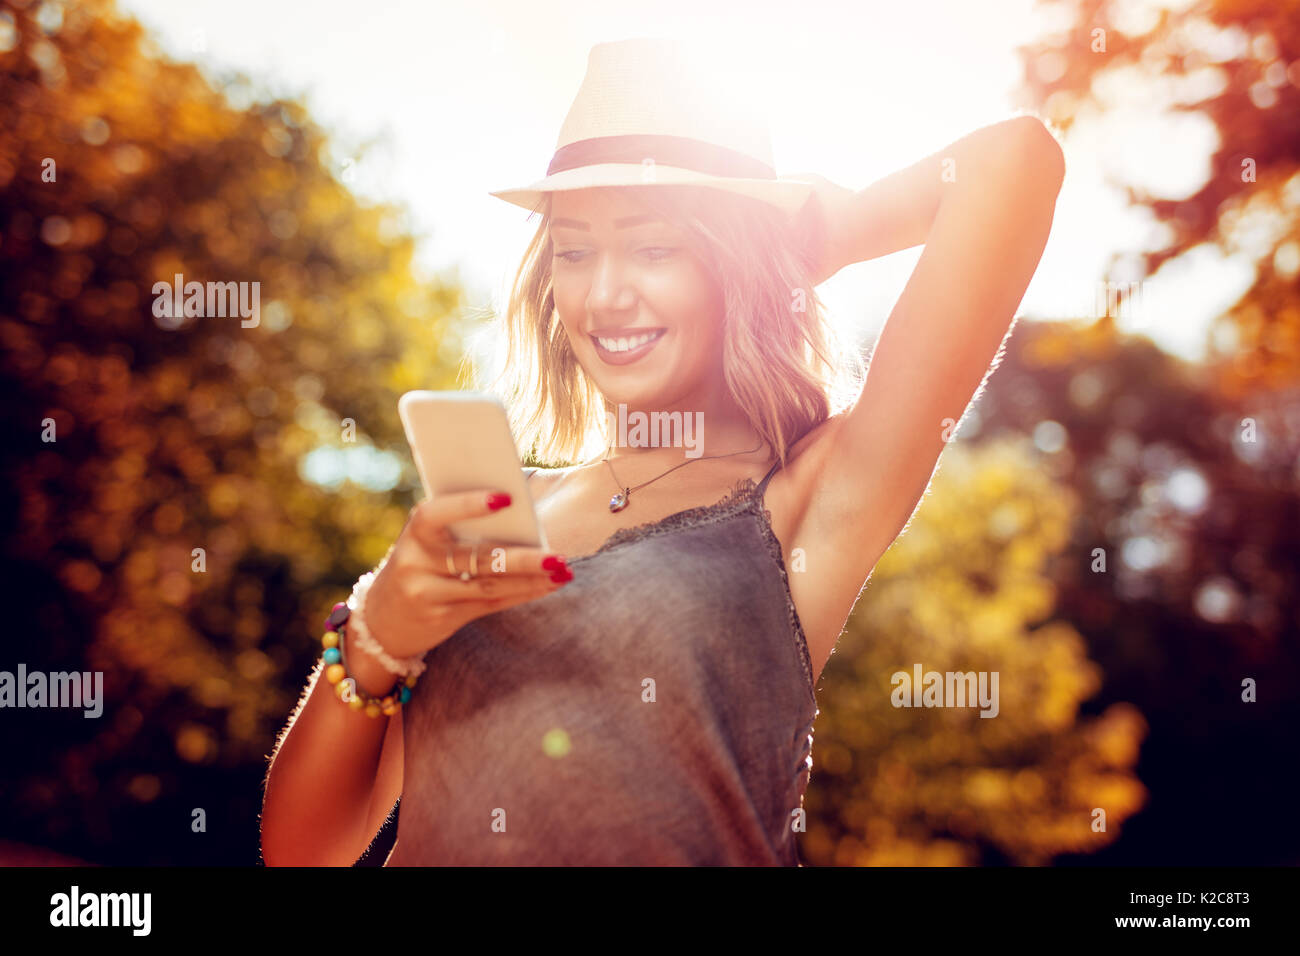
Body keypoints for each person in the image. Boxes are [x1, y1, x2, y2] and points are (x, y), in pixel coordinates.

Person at [259, 37, 1065, 867]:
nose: (604, 294)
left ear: (736, 264)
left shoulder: (805, 501)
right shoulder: (500, 512)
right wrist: (373, 636)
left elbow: (1014, 161)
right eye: (574, 251)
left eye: (654, 247)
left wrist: (807, 239)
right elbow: (305, 853)